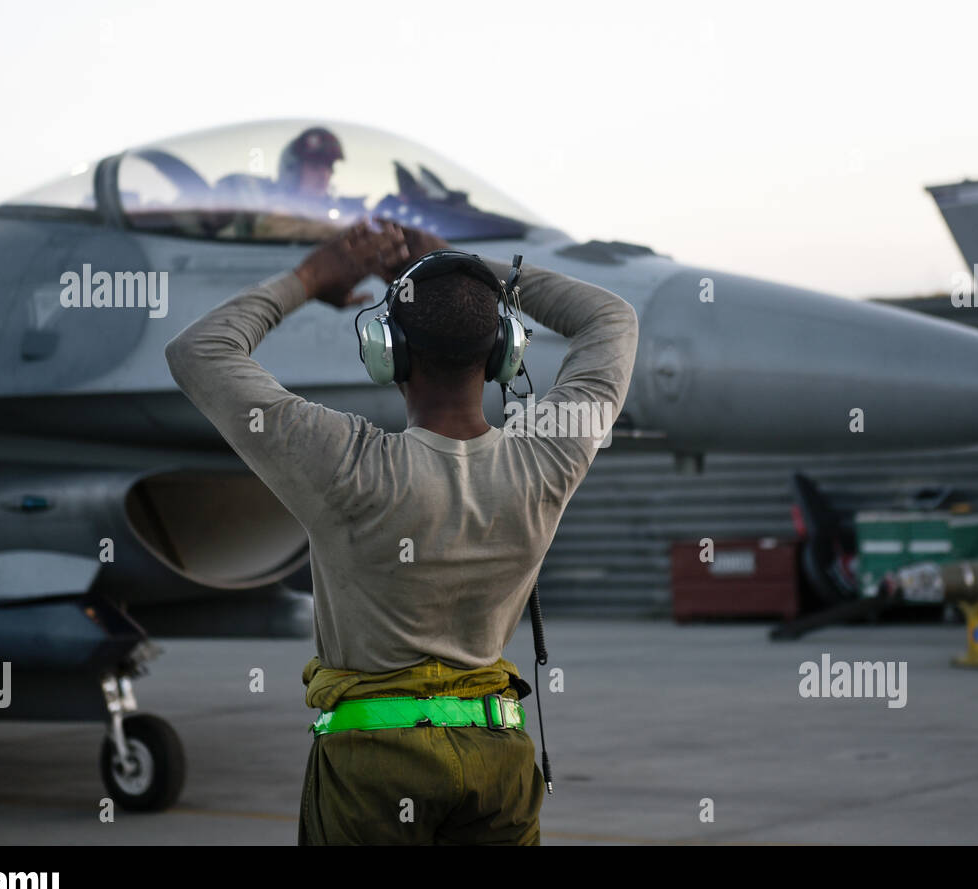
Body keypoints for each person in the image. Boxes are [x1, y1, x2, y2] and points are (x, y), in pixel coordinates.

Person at [163, 219, 639, 845]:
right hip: (498, 759)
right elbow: (612, 319)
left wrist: (310, 278)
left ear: (388, 353)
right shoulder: (546, 459)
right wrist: (461, 267)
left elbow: (198, 351)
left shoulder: (343, 464)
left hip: (373, 768)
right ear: (503, 352)